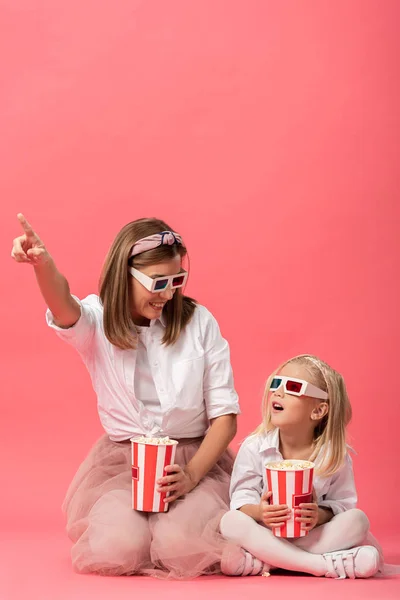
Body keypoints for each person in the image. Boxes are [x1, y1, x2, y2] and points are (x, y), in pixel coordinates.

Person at [11, 214, 240, 579]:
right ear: (126, 274)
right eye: (158, 282)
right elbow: (63, 306)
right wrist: (43, 266)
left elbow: (225, 417)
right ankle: (145, 530)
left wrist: (193, 475)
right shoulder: (97, 322)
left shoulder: (199, 322)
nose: (168, 293)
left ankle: (172, 529)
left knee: (182, 545)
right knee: (114, 547)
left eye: (177, 280)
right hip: (125, 465)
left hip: (194, 461)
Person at [220, 354, 383, 579]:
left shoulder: (334, 455)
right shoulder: (255, 446)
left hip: (313, 535)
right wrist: (261, 512)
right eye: (276, 383)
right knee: (230, 521)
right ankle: (320, 565)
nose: (278, 392)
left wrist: (320, 515)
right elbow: (241, 496)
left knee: (358, 520)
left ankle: (267, 562)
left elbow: (342, 504)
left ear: (318, 411)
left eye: (293, 387)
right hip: (267, 533)